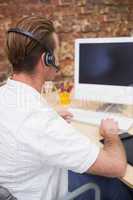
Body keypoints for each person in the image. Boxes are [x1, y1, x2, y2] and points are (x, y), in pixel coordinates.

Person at [0, 15, 132, 200]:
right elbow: (117, 166)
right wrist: (111, 135)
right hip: (48, 191)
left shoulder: (5, 94)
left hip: (21, 184)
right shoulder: (40, 121)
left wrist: (51, 119)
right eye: (57, 51)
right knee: (117, 183)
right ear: (47, 59)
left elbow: (24, 125)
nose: (59, 57)